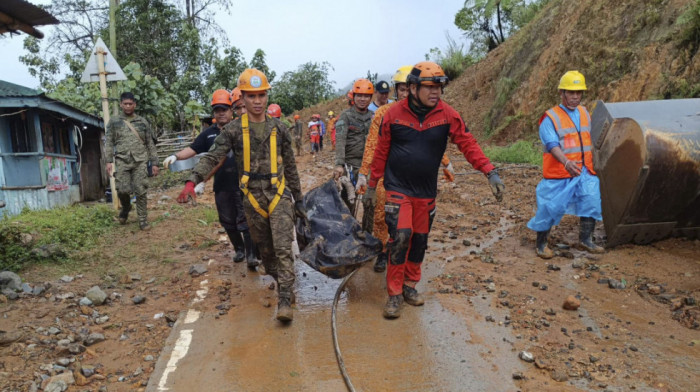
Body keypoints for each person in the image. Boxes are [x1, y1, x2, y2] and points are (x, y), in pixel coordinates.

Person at [366, 62, 505, 319]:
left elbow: (467, 143)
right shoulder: (393, 115)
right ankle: (394, 294)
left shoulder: (447, 115)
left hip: (426, 191)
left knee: (419, 241)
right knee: (401, 238)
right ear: (413, 88)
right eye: (430, 87)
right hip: (398, 188)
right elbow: (380, 153)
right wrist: (372, 187)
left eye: (439, 87)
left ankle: (410, 286)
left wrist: (490, 171)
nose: (436, 93)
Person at [178, 68, 305, 322]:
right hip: (252, 199)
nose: (257, 101)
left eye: (261, 95)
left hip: (278, 195)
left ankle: (284, 299)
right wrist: (192, 181)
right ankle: (282, 282)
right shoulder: (233, 131)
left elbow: (290, 167)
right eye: (251, 96)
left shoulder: (280, 129)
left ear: (267, 96)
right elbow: (213, 156)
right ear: (243, 99)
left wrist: (299, 201)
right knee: (266, 254)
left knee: (282, 248)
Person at [163, 89, 258, 268]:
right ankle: (239, 249)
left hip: (243, 184)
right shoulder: (208, 134)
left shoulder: (241, 129)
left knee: (246, 219)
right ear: (214, 113)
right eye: (217, 110)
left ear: (231, 110)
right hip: (221, 185)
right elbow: (193, 150)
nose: (221, 113)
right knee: (227, 220)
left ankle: (252, 254)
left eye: (224, 109)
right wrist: (175, 156)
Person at [527, 71, 604, 259]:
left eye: (578, 93)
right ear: (562, 93)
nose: (575, 97)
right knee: (549, 207)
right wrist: (566, 162)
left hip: (584, 170)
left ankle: (586, 240)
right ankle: (541, 244)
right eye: (571, 92)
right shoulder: (550, 118)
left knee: (591, 201)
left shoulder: (585, 113)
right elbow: (552, 144)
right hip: (560, 172)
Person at [105, 92, 160, 231]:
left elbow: (150, 143)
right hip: (122, 160)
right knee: (122, 190)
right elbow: (109, 142)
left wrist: (154, 163)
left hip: (140, 160)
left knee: (141, 189)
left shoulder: (142, 122)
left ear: (134, 104)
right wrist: (108, 160)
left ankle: (143, 220)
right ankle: (126, 207)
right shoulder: (114, 122)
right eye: (125, 104)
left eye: (130, 104)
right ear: (121, 104)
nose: (128, 106)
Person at [334, 78, 374, 210]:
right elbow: (340, 140)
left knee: (370, 203)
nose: (362, 99)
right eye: (359, 95)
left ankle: (366, 230)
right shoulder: (346, 116)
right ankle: (348, 230)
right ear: (354, 97)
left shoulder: (374, 117)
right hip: (350, 166)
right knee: (348, 203)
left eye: (366, 96)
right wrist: (339, 164)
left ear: (370, 98)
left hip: (368, 167)